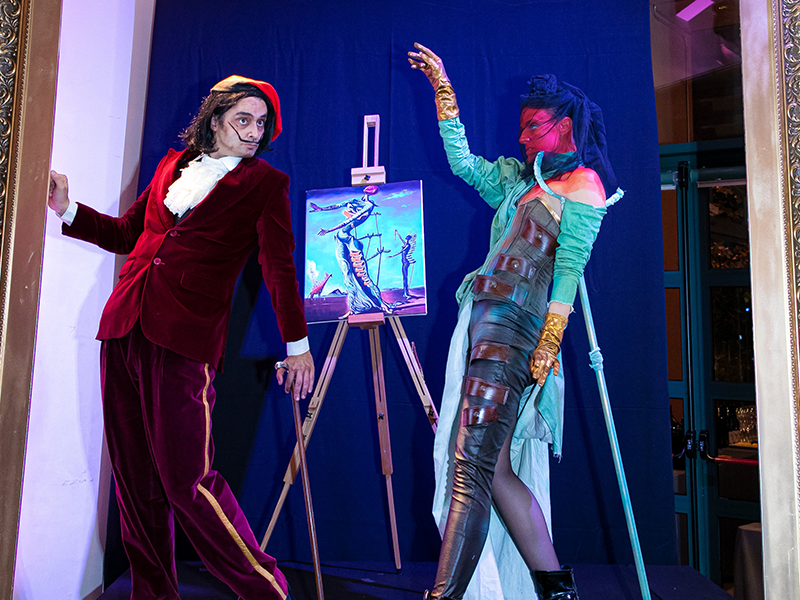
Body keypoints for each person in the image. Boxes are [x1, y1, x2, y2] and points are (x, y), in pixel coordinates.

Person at [47, 75, 314, 600]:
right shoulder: (172, 165)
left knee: (188, 483)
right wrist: (67, 209)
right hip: (124, 327)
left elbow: (279, 268)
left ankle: (267, 590)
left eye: (261, 123)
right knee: (135, 482)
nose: (254, 131)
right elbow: (128, 234)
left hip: (185, 340)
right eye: (243, 119)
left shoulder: (265, 184)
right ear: (214, 120)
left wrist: (297, 346)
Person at [408, 44, 622, 600]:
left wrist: (549, 342)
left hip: (516, 330)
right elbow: (463, 163)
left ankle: (444, 596)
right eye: (521, 128)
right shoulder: (517, 180)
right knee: (494, 466)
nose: (522, 137)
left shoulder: (583, 185)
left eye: (533, 127)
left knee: (470, 463)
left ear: (564, 126)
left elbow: (569, 269)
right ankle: (557, 590)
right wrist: (443, 91)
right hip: (481, 319)